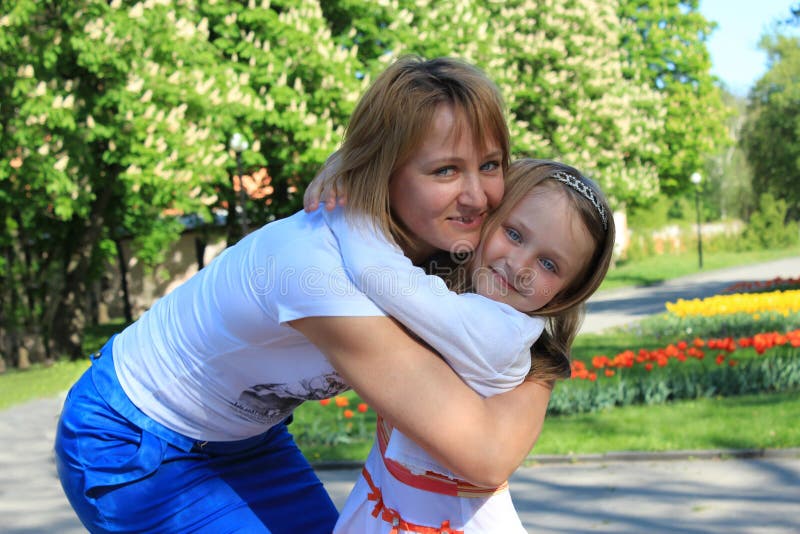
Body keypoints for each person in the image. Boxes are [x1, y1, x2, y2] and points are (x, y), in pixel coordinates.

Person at [54, 56, 553, 533]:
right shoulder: (316, 271)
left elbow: (553, 215)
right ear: (383, 171)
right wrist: (551, 332)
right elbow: (483, 454)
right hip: (133, 438)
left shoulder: (431, 244)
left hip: (249, 441)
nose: (478, 196)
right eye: (445, 171)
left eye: (490, 165)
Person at [316, 158, 615, 532]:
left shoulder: (500, 334)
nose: (519, 264)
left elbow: (377, 273)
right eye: (515, 234)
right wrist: (351, 167)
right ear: (487, 217)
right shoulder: (452, 294)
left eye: (549, 265)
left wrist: (348, 204)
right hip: (385, 505)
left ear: (566, 292)